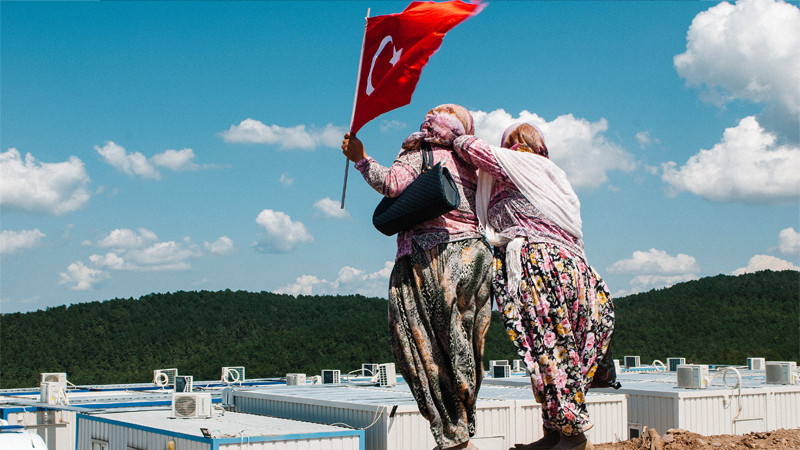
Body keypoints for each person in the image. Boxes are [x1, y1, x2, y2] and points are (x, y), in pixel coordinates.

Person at [452, 123, 615, 450]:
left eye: (523, 141)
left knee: (549, 350)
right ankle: (555, 432)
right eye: (513, 141)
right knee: (546, 353)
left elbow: (472, 149)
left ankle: (572, 434)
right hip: (570, 268)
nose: (518, 146)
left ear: (537, 149)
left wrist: (453, 133)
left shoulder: (521, 166)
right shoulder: (554, 175)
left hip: (538, 264)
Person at [341, 104, 492, 450]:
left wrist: (360, 158)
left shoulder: (423, 149)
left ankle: (455, 438)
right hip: (477, 258)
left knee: (425, 348)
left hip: (433, 257)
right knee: (465, 348)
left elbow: (392, 184)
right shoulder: (474, 157)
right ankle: (464, 427)